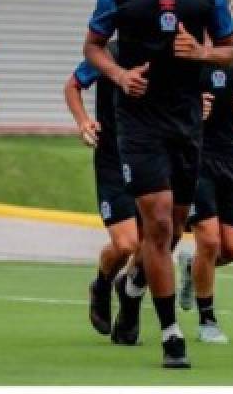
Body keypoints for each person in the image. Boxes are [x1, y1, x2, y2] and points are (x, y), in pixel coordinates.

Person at [83, 0, 233, 369]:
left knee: (171, 228)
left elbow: (230, 52)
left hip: (187, 122)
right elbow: (91, 48)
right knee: (157, 224)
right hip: (138, 124)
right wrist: (118, 74)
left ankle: (131, 289)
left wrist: (203, 53)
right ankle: (172, 333)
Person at [176, 0, 233, 345]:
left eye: (229, 2)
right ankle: (208, 321)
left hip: (230, 155)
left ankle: (193, 268)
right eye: (217, 1)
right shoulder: (181, 48)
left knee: (232, 248)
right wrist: (190, 109)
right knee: (208, 239)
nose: (224, 7)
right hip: (192, 155)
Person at [62, 43, 140, 339]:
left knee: (154, 244)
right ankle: (102, 284)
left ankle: (129, 299)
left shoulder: (164, 51)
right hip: (112, 158)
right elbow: (72, 86)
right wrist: (83, 122)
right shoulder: (107, 52)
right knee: (127, 244)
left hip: (152, 156)